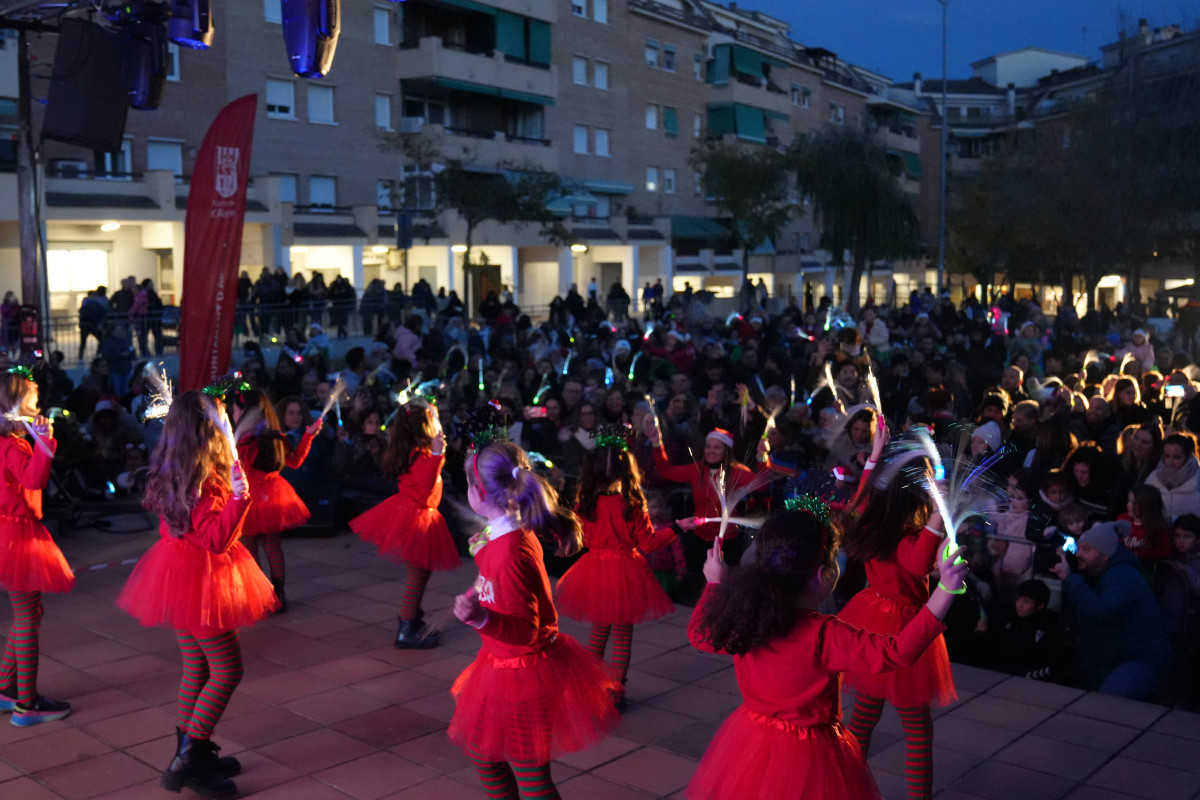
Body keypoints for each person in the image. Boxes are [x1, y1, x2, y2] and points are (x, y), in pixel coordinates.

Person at [686, 503, 969, 800]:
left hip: (754, 739)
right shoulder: (824, 635)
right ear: (823, 574)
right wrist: (945, 590)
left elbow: (698, 636)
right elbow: (896, 652)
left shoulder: (747, 619)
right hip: (810, 750)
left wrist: (714, 583)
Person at [117, 390, 278, 797]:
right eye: (221, 420)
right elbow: (216, 540)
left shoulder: (175, 473)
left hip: (176, 576)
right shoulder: (207, 483)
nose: (228, 425)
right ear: (207, 433)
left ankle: (193, 751)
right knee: (227, 670)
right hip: (203, 580)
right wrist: (239, 497)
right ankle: (188, 760)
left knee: (197, 667)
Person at [450, 431, 618, 800]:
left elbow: (526, 630)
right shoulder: (505, 534)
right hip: (501, 663)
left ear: (480, 493)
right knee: (483, 751)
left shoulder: (512, 552)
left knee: (531, 774)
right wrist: (483, 552)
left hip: (522, 672)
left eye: (467, 483)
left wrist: (480, 619)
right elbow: (496, 570)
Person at [838, 463, 955, 800]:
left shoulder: (874, 525)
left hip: (871, 617)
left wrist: (872, 461)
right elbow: (918, 564)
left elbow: (862, 496)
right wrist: (937, 515)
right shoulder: (906, 537)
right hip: (904, 628)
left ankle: (849, 789)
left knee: (864, 717)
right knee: (918, 729)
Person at [555, 424, 693, 707]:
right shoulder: (632, 504)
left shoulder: (585, 504)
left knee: (598, 631)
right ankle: (615, 693)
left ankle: (589, 687)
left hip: (594, 570)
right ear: (626, 470)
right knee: (621, 635)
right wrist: (678, 527)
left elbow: (578, 538)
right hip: (625, 573)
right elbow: (650, 543)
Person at [349, 398, 457, 648]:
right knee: (417, 573)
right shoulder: (420, 456)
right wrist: (437, 455)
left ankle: (413, 617)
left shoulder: (413, 452)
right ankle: (406, 628)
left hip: (417, 514)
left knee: (422, 570)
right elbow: (426, 485)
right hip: (416, 518)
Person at [0, 367, 74, 726]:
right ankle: (26, 703)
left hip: (7, 532)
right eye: (33, 397)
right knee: (28, 617)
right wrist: (45, 444)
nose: (39, 404)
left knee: (29, 612)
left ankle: (6, 688)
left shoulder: (6, 442)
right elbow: (34, 479)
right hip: (17, 536)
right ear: (16, 403)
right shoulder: (14, 446)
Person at [1052, 520, 1173, 699]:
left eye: (1086, 549)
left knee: (1108, 700)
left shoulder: (1122, 577)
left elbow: (1101, 613)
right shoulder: (1101, 573)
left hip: (1143, 659)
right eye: (1079, 548)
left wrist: (1071, 580)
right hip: (1117, 657)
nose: (1078, 554)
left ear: (1105, 555)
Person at [229, 388, 322, 611]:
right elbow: (295, 461)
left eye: (235, 411)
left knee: (250, 549)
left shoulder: (244, 443)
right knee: (273, 545)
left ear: (245, 412)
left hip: (250, 499)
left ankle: (263, 598)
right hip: (273, 495)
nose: (232, 415)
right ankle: (279, 595)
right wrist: (308, 436)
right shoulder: (277, 437)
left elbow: (236, 472)